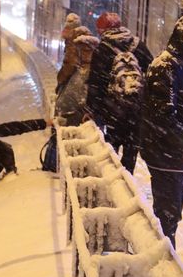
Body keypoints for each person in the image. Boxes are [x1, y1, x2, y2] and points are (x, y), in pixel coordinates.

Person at [139, 14, 183, 248]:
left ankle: (165, 257)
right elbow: (164, 117)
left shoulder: (181, 67)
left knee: (170, 216)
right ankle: (164, 264)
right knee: (167, 217)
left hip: (172, 156)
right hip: (166, 157)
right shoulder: (167, 68)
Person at [86, 12, 153, 172]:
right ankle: (127, 180)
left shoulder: (102, 49)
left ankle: (112, 185)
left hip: (112, 112)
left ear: (101, 30)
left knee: (110, 152)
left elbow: (96, 84)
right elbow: (150, 73)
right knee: (130, 153)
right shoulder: (138, 45)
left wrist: (92, 110)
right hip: (135, 112)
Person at [55, 30, 99, 126]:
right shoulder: (81, 69)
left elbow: (83, 101)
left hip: (75, 120)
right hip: (70, 117)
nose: (82, 53)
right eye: (81, 50)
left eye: (86, 50)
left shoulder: (88, 72)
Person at [56, 13, 82, 93]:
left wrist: (60, 80)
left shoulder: (72, 42)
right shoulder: (80, 37)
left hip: (75, 81)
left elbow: (70, 64)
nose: (64, 30)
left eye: (66, 28)